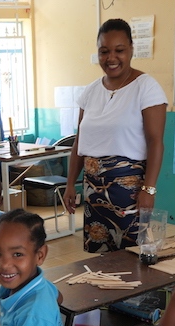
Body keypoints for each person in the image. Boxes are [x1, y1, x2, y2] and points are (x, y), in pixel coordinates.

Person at [62, 18, 168, 253]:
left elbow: (155, 142)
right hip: (92, 189)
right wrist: (71, 184)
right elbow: (80, 142)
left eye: (119, 50)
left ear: (131, 49)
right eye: (104, 51)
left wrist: (149, 189)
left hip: (128, 190)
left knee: (131, 254)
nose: (111, 58)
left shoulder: (146, 87)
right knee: (98, 255)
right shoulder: (90, 92)